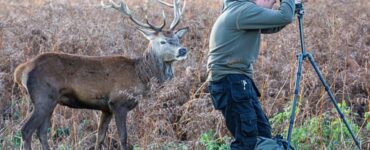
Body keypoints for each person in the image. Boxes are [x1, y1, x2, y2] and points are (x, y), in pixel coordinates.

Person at [207, 0, 297, 149]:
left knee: (263, 135)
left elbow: (275, 24)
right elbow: (284, 17)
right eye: (271, 0)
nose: (273, 3)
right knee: (247, 142)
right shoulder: (243, 10)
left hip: (236, 81)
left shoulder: (239, 9)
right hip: (231, 81)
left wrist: (290, 8)